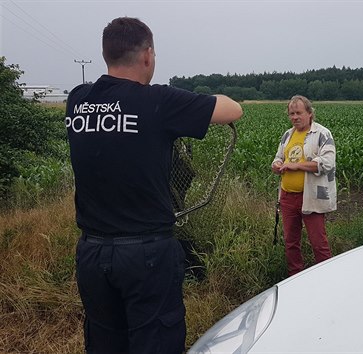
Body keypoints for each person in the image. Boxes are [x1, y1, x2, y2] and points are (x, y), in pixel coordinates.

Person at [64, 17, 242, 354]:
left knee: (104, 344)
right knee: (156, 341)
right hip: (145, 253)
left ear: (106, 55)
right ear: (148, 55)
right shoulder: (158, 102)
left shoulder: (78, 101)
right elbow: (232, 110)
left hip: (91, 252)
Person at [271, 95, 336, 276]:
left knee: (318, 242)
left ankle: (326, 277)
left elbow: (328, 163)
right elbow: (279, 157)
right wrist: (276, 165)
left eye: (299, 113)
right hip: (287, 196)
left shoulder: (322, 134)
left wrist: (297, 165)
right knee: (291, 241)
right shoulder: (287, 134)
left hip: (311, 196)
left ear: (309, 113)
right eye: (291, 114)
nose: (295, 117)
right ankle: (295, 276)